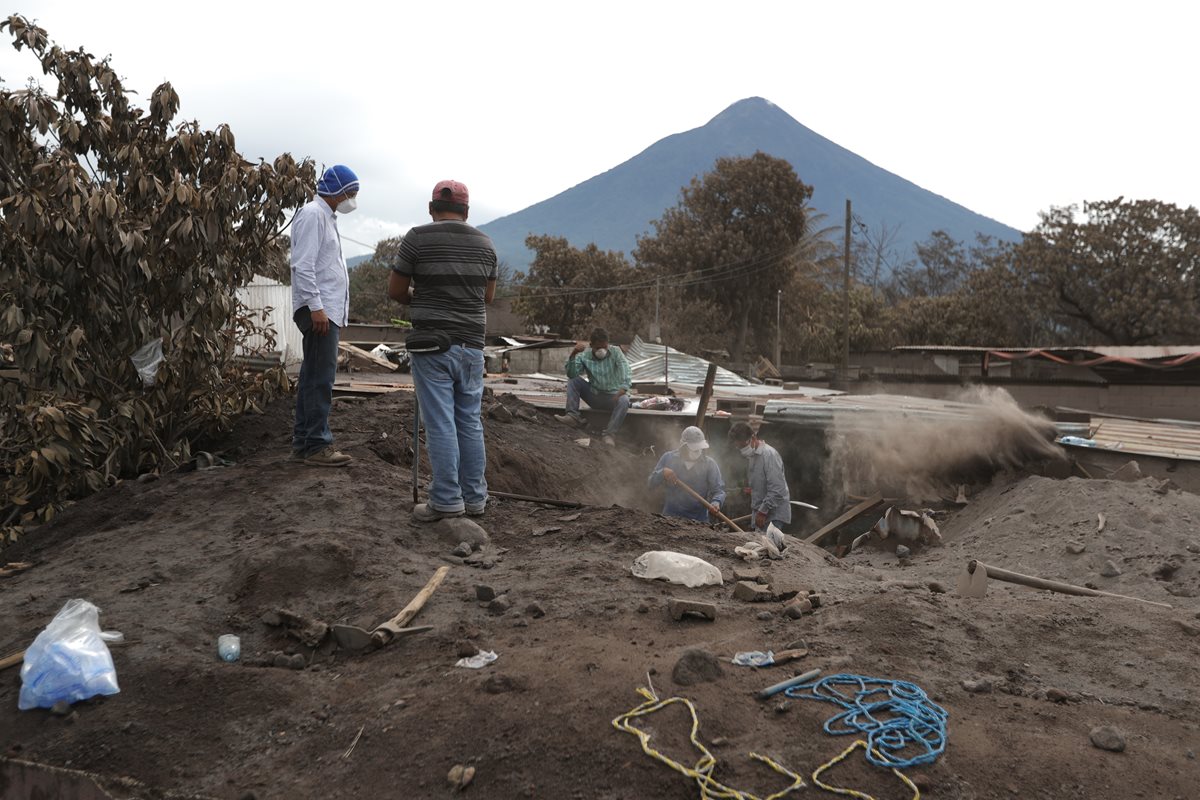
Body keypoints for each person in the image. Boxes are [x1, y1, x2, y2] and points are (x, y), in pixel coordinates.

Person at [388, 180, 497, 522]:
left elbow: (396, 289)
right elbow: (488, 298)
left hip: (433, 346)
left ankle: (447, 501)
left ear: (431, 208)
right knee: (469, 421)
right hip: (472, 347)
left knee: (440, 424)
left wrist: (417, 298)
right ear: (467, 211)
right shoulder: (486, 243)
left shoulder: (418, 238)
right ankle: (475, 499)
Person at [289, 164, 360, 467]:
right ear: (338, 190)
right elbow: (302, 265)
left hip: (325, 309)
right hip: (319, 310)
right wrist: (316, 307)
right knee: (321, 378)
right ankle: (318, 444)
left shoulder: (325, 218)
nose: (353, 199)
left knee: (312, 375)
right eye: (352, 192)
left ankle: (304, 443)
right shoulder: (313, 215)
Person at [554, 327, 631, 446]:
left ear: (608, 344)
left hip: (613, 397)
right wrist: (573, 354)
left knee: (625, 400)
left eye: (604, 347)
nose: (602, 351)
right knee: (574, 380)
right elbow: (571, 373)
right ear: (591, 345)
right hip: (595, 396)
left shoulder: (616, 352)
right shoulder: (584, 356)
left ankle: (609, 434)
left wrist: (623, 388)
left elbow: (626, 370)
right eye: (598, 348)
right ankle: (573, 416)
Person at [648, 426, 726, 523]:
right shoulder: (669, 458)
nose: (698, 452)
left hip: (699, 521)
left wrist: (716, 502)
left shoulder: (709, 464)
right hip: (670, 520)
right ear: (684, 446)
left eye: (700, 448)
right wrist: (662, 473)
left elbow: (718, 490)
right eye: (694, 449)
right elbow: (650, 483)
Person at [728, 420, 791, 532]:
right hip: (761, 512)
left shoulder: (769, 455)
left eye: (743, 445)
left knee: (768, 547)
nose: (741, 449)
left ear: (753, 438)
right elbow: (762, 483)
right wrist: (753, 490)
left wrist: (763, 511)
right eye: (738, 447)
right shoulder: (753, 457)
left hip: (773, 515)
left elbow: (777, 489)